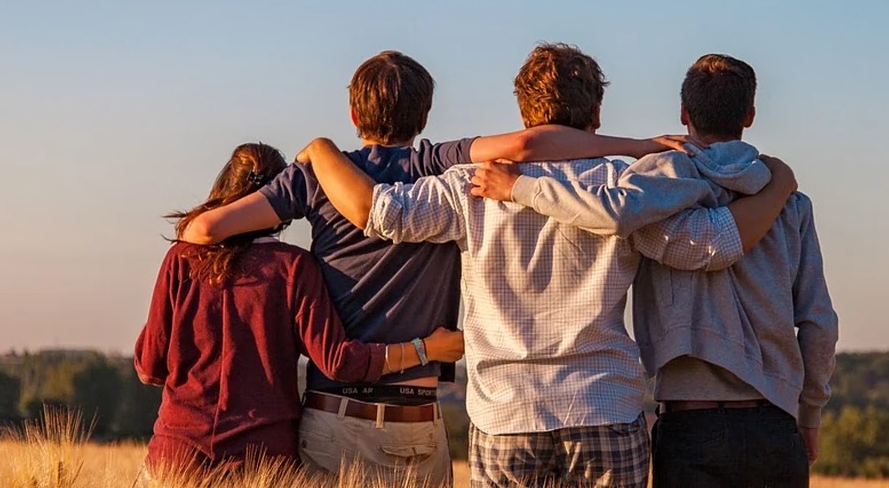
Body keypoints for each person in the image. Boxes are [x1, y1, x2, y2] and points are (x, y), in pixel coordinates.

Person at [297, 43, 800, 488]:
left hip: (506, 413)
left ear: (523, 113)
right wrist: (777, 185)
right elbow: (704, 247)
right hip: (603, 406)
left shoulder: (470, 184)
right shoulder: (623, 188)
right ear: (597, 113)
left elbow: (382, 214)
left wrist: (320, 151)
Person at [180, 50, 687, 485]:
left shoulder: (323, 178)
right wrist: (638, 147)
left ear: (353, 114)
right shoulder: (439, 164)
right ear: (424, 116)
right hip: (436, 418)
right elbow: (530, 146)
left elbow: (205, 232)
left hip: (348, 414)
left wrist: (316, 154)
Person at [472, 53, 839, 487]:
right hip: (775, 424)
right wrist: (809, 412)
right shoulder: (790, 204)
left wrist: (520, 187)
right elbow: (819, 323)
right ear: (750, 115)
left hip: (690, 423)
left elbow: (615, 214)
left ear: (684, 114)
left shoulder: (652, 190)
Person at [134, 142, 465, 473]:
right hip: (261, 462)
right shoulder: (293, 268)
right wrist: (426, 349)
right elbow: (338, 361)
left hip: (176, 457)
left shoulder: (181, 258)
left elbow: (150, 367)